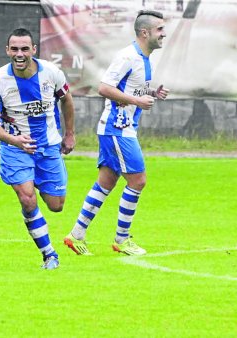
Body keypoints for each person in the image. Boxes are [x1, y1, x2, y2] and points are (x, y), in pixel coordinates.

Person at [63, 10, 169, 256]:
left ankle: (76, 235)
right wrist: (137, 100)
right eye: (160, 30)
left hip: (121, 128)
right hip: (117, 129)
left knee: (106, 182)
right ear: (145, 33)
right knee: (138, 180)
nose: (164, 34)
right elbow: (104, 87)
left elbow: (130, 89)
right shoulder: (128, 56)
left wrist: (152, 94)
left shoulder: (144, 58)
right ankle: (122, 239)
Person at [0, 28, 76, 270]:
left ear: (34, 50)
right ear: (7, 51)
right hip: (15, 149)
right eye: (14, 49)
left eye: (25, 48)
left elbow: (67, 100)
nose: (19, 54)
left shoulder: (52, 73)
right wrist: (13, 140)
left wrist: (69, 134)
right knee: (27, 200)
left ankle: (32, 178)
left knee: (57, 205)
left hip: (48, 147)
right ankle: (49, 255)